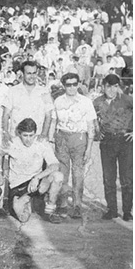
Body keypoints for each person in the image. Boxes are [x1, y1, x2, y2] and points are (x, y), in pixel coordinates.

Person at [52, 73, 96, 219]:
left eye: (74, 84)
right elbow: (54, 122)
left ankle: (77, 206)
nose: (72, 87)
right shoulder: (58, 101)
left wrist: (89, 148)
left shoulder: (85, 101)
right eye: (68, 85)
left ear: (78, 84)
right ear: (64, 86)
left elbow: (91, 126)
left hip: (79, 139)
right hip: (62, 137)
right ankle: (63, 205)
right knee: (62, 173)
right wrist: (53, 142)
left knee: (78, 174)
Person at [5, 118, 65, 224]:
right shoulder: (13, 143)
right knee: (23, 218)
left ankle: (50, 210)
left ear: (35, 134)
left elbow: (55, 165)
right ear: (19, 134)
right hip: (18, 186)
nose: (28, 139)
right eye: (25, 135)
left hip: (36, 184)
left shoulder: (41, 143)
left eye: (31, 135)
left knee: (58, 176)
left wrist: (37, 177)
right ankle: (26, 201)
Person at [93, 74, 133, 221]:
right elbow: (91, 120)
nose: (111, 89)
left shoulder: (127, 99)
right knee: (108, 178)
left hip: (125, 140)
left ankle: (127, 211)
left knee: (127, 178)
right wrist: (97, 133)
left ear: (118, 87)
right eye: (108, 86)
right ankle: (112, 210)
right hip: (107, 141)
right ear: (103, 86)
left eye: (115, 86)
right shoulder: (97, 102)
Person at [3, 61, 53, 146]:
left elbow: (48, 115)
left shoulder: (44, 92)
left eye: (34, 73)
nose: (32, 76)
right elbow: (6, 114)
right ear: (22, 73)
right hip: (16, 138)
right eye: (29, 73)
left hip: (37, 138)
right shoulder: (12, 91)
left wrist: (44, 134)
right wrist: (6, 133)